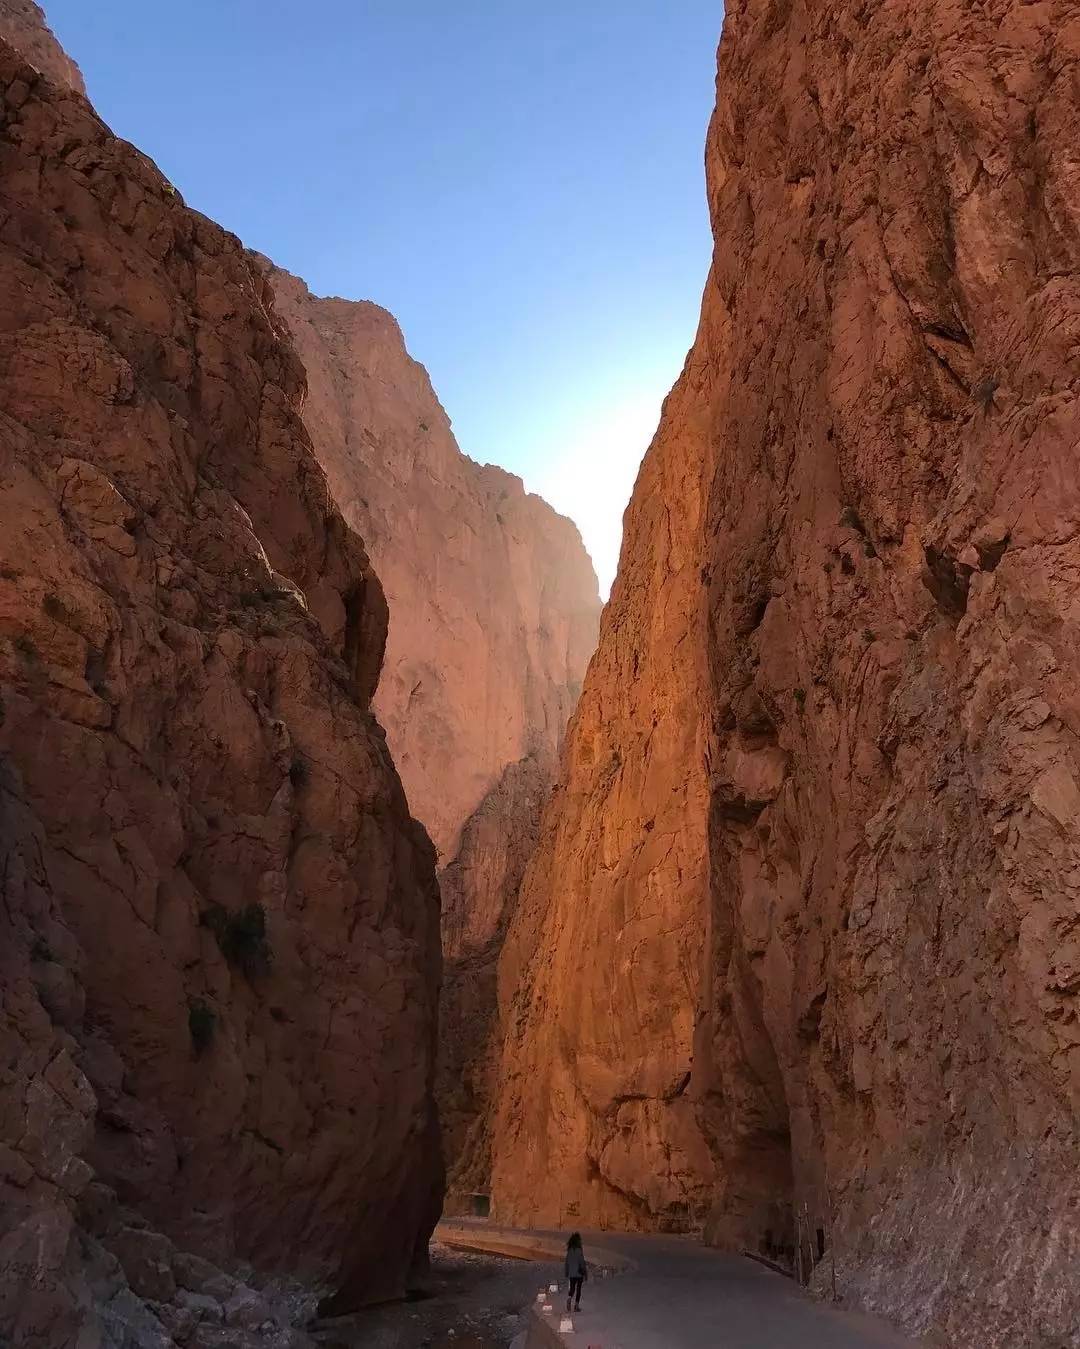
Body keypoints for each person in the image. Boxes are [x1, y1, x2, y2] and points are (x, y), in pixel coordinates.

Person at [564, 1231, 587, 1312]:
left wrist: (567, 1271)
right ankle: (576, 1306)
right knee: (578, 1289)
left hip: (571, 1273)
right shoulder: (579, 1250)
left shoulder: (569, 1251)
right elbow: (582, 1262)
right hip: (579, 1273)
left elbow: (567, 1262)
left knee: (572, 1288)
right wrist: (585, 1272)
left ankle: (569, 1298)